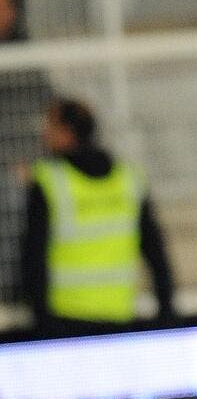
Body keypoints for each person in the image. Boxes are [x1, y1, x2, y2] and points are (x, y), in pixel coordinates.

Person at [20, 97, 175, 337]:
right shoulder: (128, 179)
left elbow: (33, 257)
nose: (44, 135)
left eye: (49, 127)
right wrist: (166, 309)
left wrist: (40, 319)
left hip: (64, 320)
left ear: (66, 132)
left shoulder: (49, 181)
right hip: (120, 316)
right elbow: (156, 251)